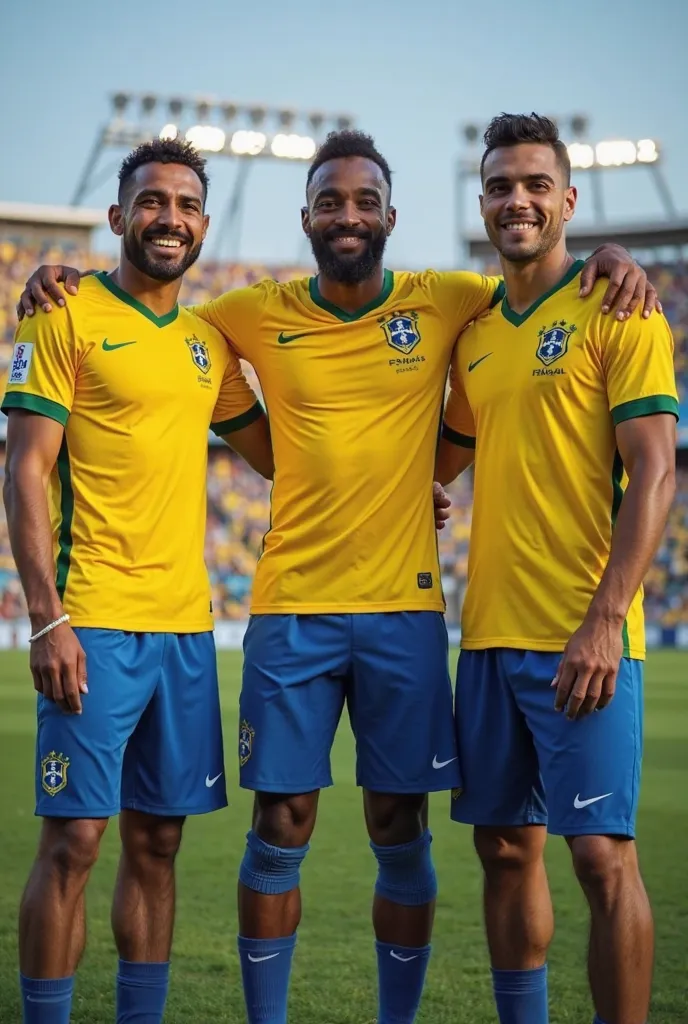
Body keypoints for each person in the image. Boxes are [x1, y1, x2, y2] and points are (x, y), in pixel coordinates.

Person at [17, 129, 660, 1024]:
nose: (348, 215)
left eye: (365, 202)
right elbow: (154, 330)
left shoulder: (452, 301)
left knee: (404, 829)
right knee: (276, 826)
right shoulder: (242, 314)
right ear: (307, 217)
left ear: (391, 217)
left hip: (405, 612)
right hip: (288, 613)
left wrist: (613, 257)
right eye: (330, 201)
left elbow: (540, 272)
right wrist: (65, 281)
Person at [2, 138, 273, 1024]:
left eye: (188, 205)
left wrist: (405, 480)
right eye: (153, 202)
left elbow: (281, 456)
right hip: (96, 621)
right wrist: (47, 620)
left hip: (187, 632)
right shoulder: (62, 315)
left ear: (203, 224)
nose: (171, 218)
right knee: (76, 840)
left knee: (158, 844)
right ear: (119, 218)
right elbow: (25, 471)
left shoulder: (207, 345)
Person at [436, 113, 678, 1024]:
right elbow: (443, 457)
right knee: (505, 851)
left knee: (602, 858)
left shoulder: (620, 307)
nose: (517, 200)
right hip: (489, 635)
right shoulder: (476, 330)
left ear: (568, 200)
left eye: (536, 184)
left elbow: (655, 470)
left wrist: (607, 618)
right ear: (484, 201)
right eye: (500, 185)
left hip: (586, 635)